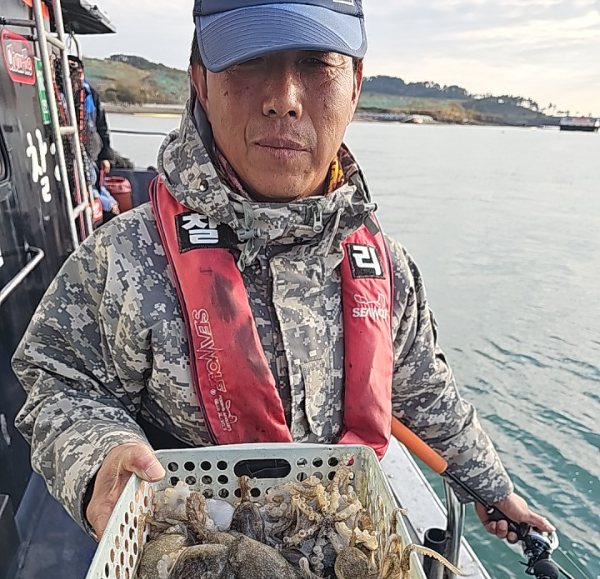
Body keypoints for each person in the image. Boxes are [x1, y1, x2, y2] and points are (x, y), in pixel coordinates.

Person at [12, 0, 553, 545]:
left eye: (316, 62)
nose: (284, 99)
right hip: (189, 563)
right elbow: (60, 380)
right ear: (201, 82)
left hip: (344, 554)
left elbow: (422, 389)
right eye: (248, 59)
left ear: (355, 85)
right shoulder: (123, 258)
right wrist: (102, 455)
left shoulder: (388, 269)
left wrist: (492, 487)